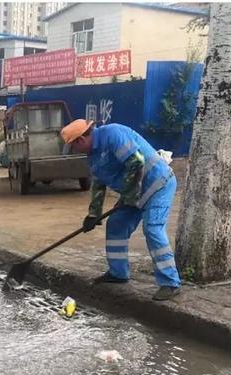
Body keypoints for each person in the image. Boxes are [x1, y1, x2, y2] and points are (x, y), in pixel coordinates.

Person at [60, 120, 181, 301]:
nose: (74, 151)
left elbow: (136, 161)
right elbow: (99, 184)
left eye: (73, 147)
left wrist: (128, 196)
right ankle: (118, 273)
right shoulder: (93, 157)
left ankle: (170, 282)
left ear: (80, 140)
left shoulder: (112, 134)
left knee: (152, 229)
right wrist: (93, 214)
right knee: (116, 224)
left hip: (158, 184)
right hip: (133, 193)